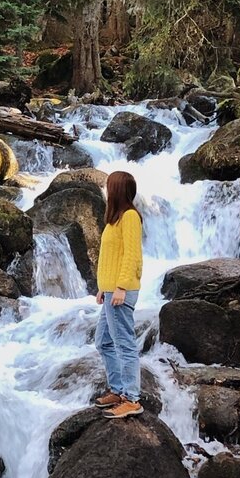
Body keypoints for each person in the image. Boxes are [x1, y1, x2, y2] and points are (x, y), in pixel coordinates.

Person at [93, 170, 144, 418]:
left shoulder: (131, 217)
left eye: (108, 186)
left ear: (117, 191)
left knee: (124, 345)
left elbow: (132, 255)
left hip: (122, 292)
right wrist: (103, 287)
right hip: (111, 291)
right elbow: (111, 257)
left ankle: (132, 399)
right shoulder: (115, 219)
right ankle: (118, 389)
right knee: (103, 342)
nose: (105, 190)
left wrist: (122, 286)